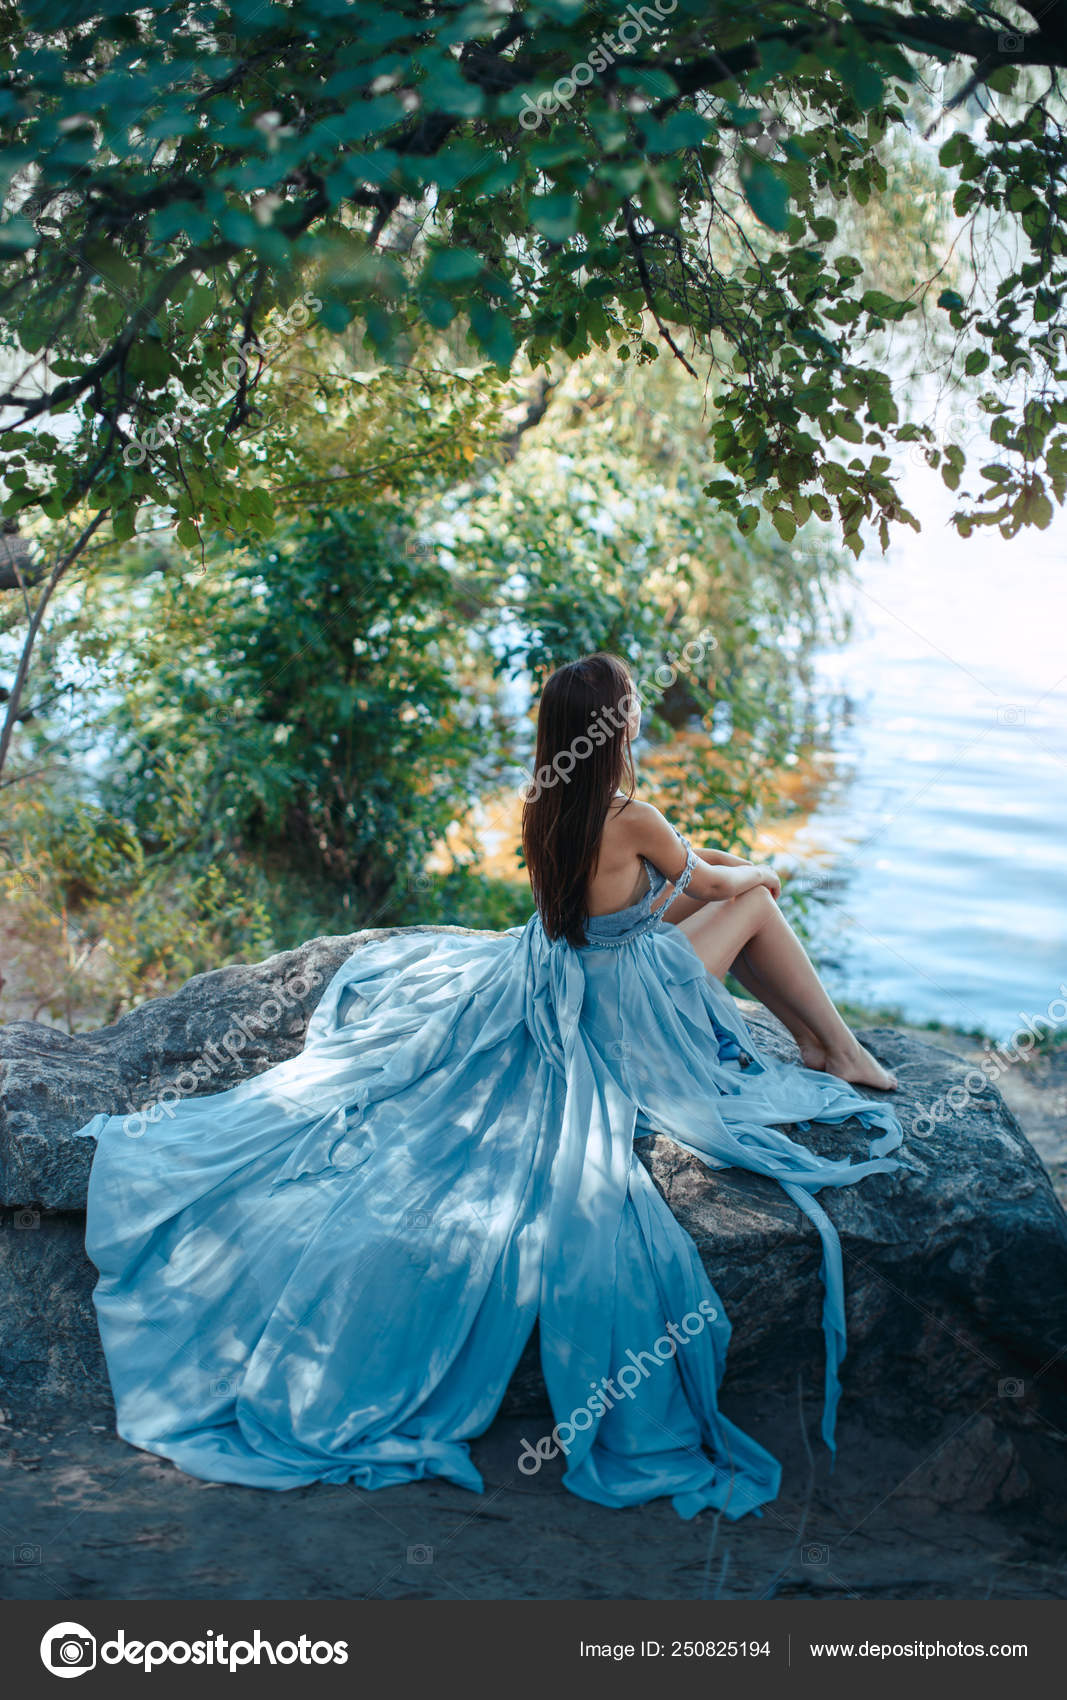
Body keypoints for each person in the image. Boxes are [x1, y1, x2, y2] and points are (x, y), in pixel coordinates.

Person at [76, 652, 905, 1521]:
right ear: (616, 725)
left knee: (731, 882)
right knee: (758, 901)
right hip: (619, 1001)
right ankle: (838, 1048)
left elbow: (653, 888)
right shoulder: (633, 814)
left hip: (568, 968)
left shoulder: (550, 797)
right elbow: (711, 885)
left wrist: (711, 870)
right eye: (629, 708)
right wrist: (762, 872)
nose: (636, 717)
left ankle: (816, 1040)